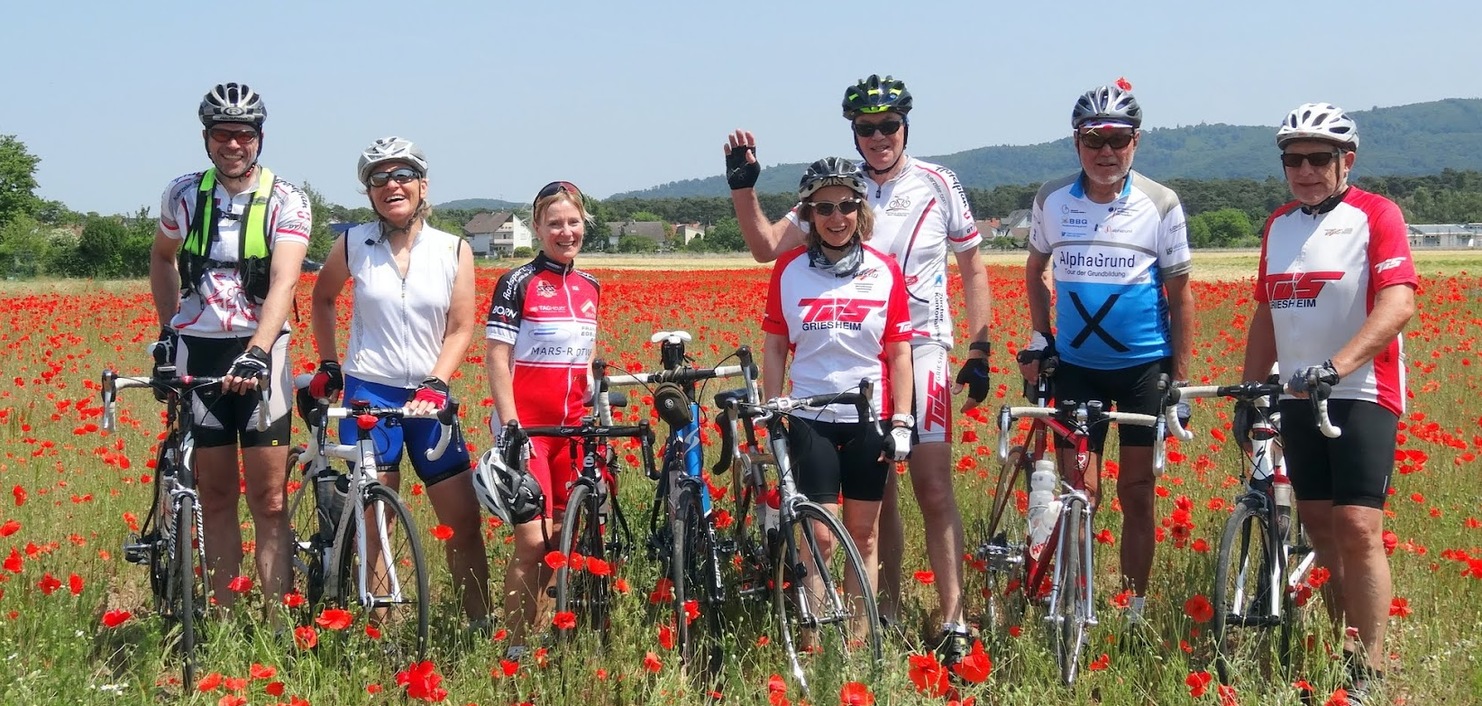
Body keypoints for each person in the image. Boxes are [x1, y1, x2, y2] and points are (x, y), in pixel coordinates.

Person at [725, 74, 991, 660]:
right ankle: (884, 612)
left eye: (888, 125)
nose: (878, 137)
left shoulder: (938, 183)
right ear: (854, 131)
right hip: (853, 353)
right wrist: (745, 189)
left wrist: (979, 347)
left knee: (933, 484)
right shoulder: (835, 188)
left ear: (905, 125)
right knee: (879, 491)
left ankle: (954, 620)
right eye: (866, 128)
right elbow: (769, 247)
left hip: (919, 348)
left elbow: (973, 266)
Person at [1239, 103, 1415, 703]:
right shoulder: (1279, 225)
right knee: (1318, 529)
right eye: (1294, 159)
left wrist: (1337, 365)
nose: (1305, 169)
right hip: (1297, 393)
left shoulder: (1376, 216)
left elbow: (1398, 305)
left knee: (1358, 526)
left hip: (1361, 389)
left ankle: (1370, 666)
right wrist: (1249, 387)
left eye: (1319, 158)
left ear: (1347, 161)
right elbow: (1267, 310)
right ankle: (1346, 639)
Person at [1017, 82, 1194, 624]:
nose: (1106, 151)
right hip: (1077, 371)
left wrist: (1179, 382)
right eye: (1094, 139)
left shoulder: (1161, 203)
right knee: (1080, 493)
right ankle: (1074, 598)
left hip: (1143, 370)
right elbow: (1034, 272)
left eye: (1117, 139)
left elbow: (1182, 294)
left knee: (1137, 492)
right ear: (1077, 143)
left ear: (1135, 142)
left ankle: (1135, 609)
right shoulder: (1052, 198)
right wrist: (1041, 337)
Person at [308, 136, 489, 626]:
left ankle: (477, 627)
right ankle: (380, 634)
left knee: (464, 522)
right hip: (370, 389)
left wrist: (438, 380)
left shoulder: (453, 249)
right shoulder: (351, 244)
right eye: (379, 178)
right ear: (369, 193)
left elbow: (461, 326)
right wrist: (330, 364)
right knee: (377, 523)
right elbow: (322, 300)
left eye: (402, 175)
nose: (392, 185)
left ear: (422, 185)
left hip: (430, 397)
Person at [148, 82, 309, 609]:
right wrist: (169, 329)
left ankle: (277, 625)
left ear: (259, 139)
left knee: (269, 498)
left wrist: (260, 349)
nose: (233, 144)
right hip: (202, 348)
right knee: (216, 497)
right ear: (206, 138)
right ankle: (225, 619)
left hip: (263, 354)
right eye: (222, 134)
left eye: (243, 134)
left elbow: (285, 280)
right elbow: (163, 258)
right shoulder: (182, 194)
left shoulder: (286, 199)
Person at [760, 157, 915, 640]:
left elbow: (899, 353)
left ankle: (857, 644)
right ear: (807, 213)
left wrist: (904, 420)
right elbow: (774, 345)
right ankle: (815, 644)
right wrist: (771, 408)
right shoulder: (788, 271)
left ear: (859, 209)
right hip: (810, 416)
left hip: (869, 417)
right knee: (819, 538)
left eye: (846, 205)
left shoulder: (885, 271)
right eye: (823, 207)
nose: (836, 216)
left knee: (864, 536)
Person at [484, 180, 601, 659]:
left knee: (560, 539)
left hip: (573, 429)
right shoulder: (518, 281)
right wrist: (510, 425)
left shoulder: (591, 285)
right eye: (555, 223)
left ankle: (543, 635)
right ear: (537, 227)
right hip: (528, 432)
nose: (565, 231)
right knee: (532, 541)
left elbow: (588, 352)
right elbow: (496, 356)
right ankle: (514, 647)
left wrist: (595, 402)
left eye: (573, 222)